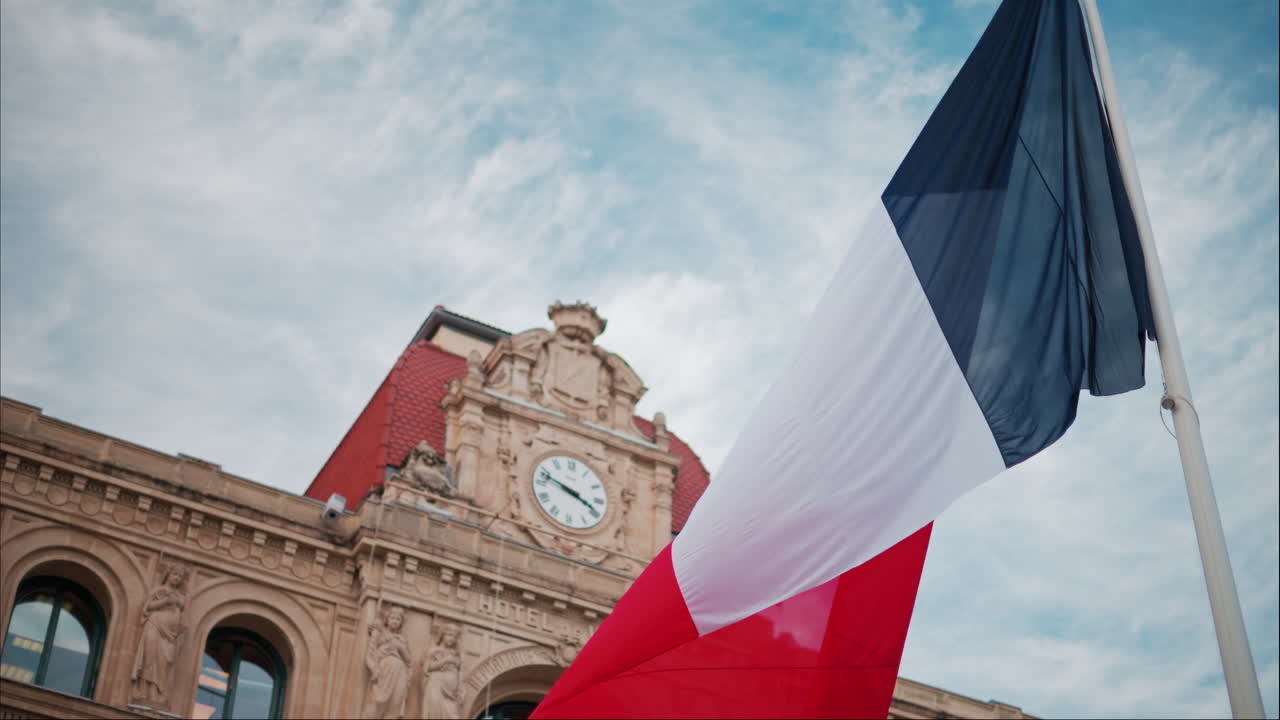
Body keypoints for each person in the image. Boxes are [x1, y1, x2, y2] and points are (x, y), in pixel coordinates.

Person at [131, 564, 189, 708]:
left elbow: (181, 615)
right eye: (174, 574)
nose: (176, 578)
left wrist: (182, 628)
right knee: (149, 659)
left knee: (165, 661)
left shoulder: (181, 596)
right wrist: (165, 601)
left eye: (179, 577)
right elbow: (147, 607)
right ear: (168, 575)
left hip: (171, 635)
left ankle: (156, 694)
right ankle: (143, 692)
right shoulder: (159, 591)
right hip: (154, 626)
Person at [365, 606, 412, 719]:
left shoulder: (402, 640)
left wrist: (399, 646)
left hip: (400, 673)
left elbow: (409, 660)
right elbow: (370, 653)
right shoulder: (379, 633)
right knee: (379, 701)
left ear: (401, 623)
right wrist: (374, 669)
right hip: (384, 670)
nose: (395, 621)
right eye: (392, 618)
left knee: (395, 702)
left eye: (398, 619)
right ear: (387, 619)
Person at [422, 621, 462, 719]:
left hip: (451, 693)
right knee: (435, 712)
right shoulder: (434, 650)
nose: (451, 638)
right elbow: (427, 667)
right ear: (442, 635)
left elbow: (459, 672)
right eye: (449, 635)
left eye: (454, 637)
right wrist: (445, 661)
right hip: (436, 686)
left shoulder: (456, 654)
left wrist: (461, 688)